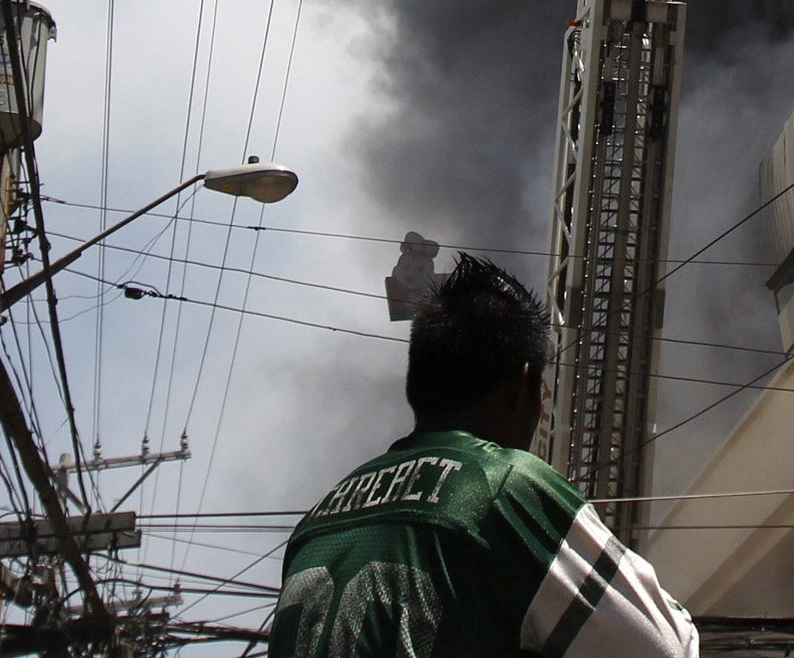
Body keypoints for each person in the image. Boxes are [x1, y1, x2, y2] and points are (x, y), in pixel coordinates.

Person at [270, 254, 699, 657]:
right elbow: (665, 648)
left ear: (417, 381)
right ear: (522, 386)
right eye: (541, 393)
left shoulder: (317, 524)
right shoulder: (504, 487)